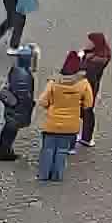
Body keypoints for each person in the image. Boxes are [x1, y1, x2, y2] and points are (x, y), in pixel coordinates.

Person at [34, 51, 92, 181]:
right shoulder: (83, 84)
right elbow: (88, 104)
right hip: (70, 125)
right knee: (62, 151)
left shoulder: (54, 83)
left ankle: (44, 175)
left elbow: (43, 102)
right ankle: (57, 175)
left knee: (48, 149)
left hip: (52, 123)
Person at [0, 44, 38, 162]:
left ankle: (3, 150)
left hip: (12, 107)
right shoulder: (23, 75)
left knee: (8, 129)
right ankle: (4, 152)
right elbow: (24, 96)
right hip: (18, 109)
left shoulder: (16, 69)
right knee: (11, 130)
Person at [75, 33, 111, 148]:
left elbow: (83, 68)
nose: (87, 43)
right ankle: (85, 136)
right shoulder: (97, 54)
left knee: (86, 110)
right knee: (85, 111)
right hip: (87, 86)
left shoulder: (98, 60)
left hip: (89, 87)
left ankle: (86, 138)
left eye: (89, 42)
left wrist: (80, 58)